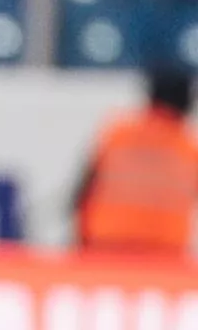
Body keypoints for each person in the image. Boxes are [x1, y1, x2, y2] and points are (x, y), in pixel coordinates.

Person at [72, 65, 198, 255]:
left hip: (105, 248)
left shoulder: (118, 134)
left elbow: (83, 190)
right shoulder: (189, 148)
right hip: (165, 256)